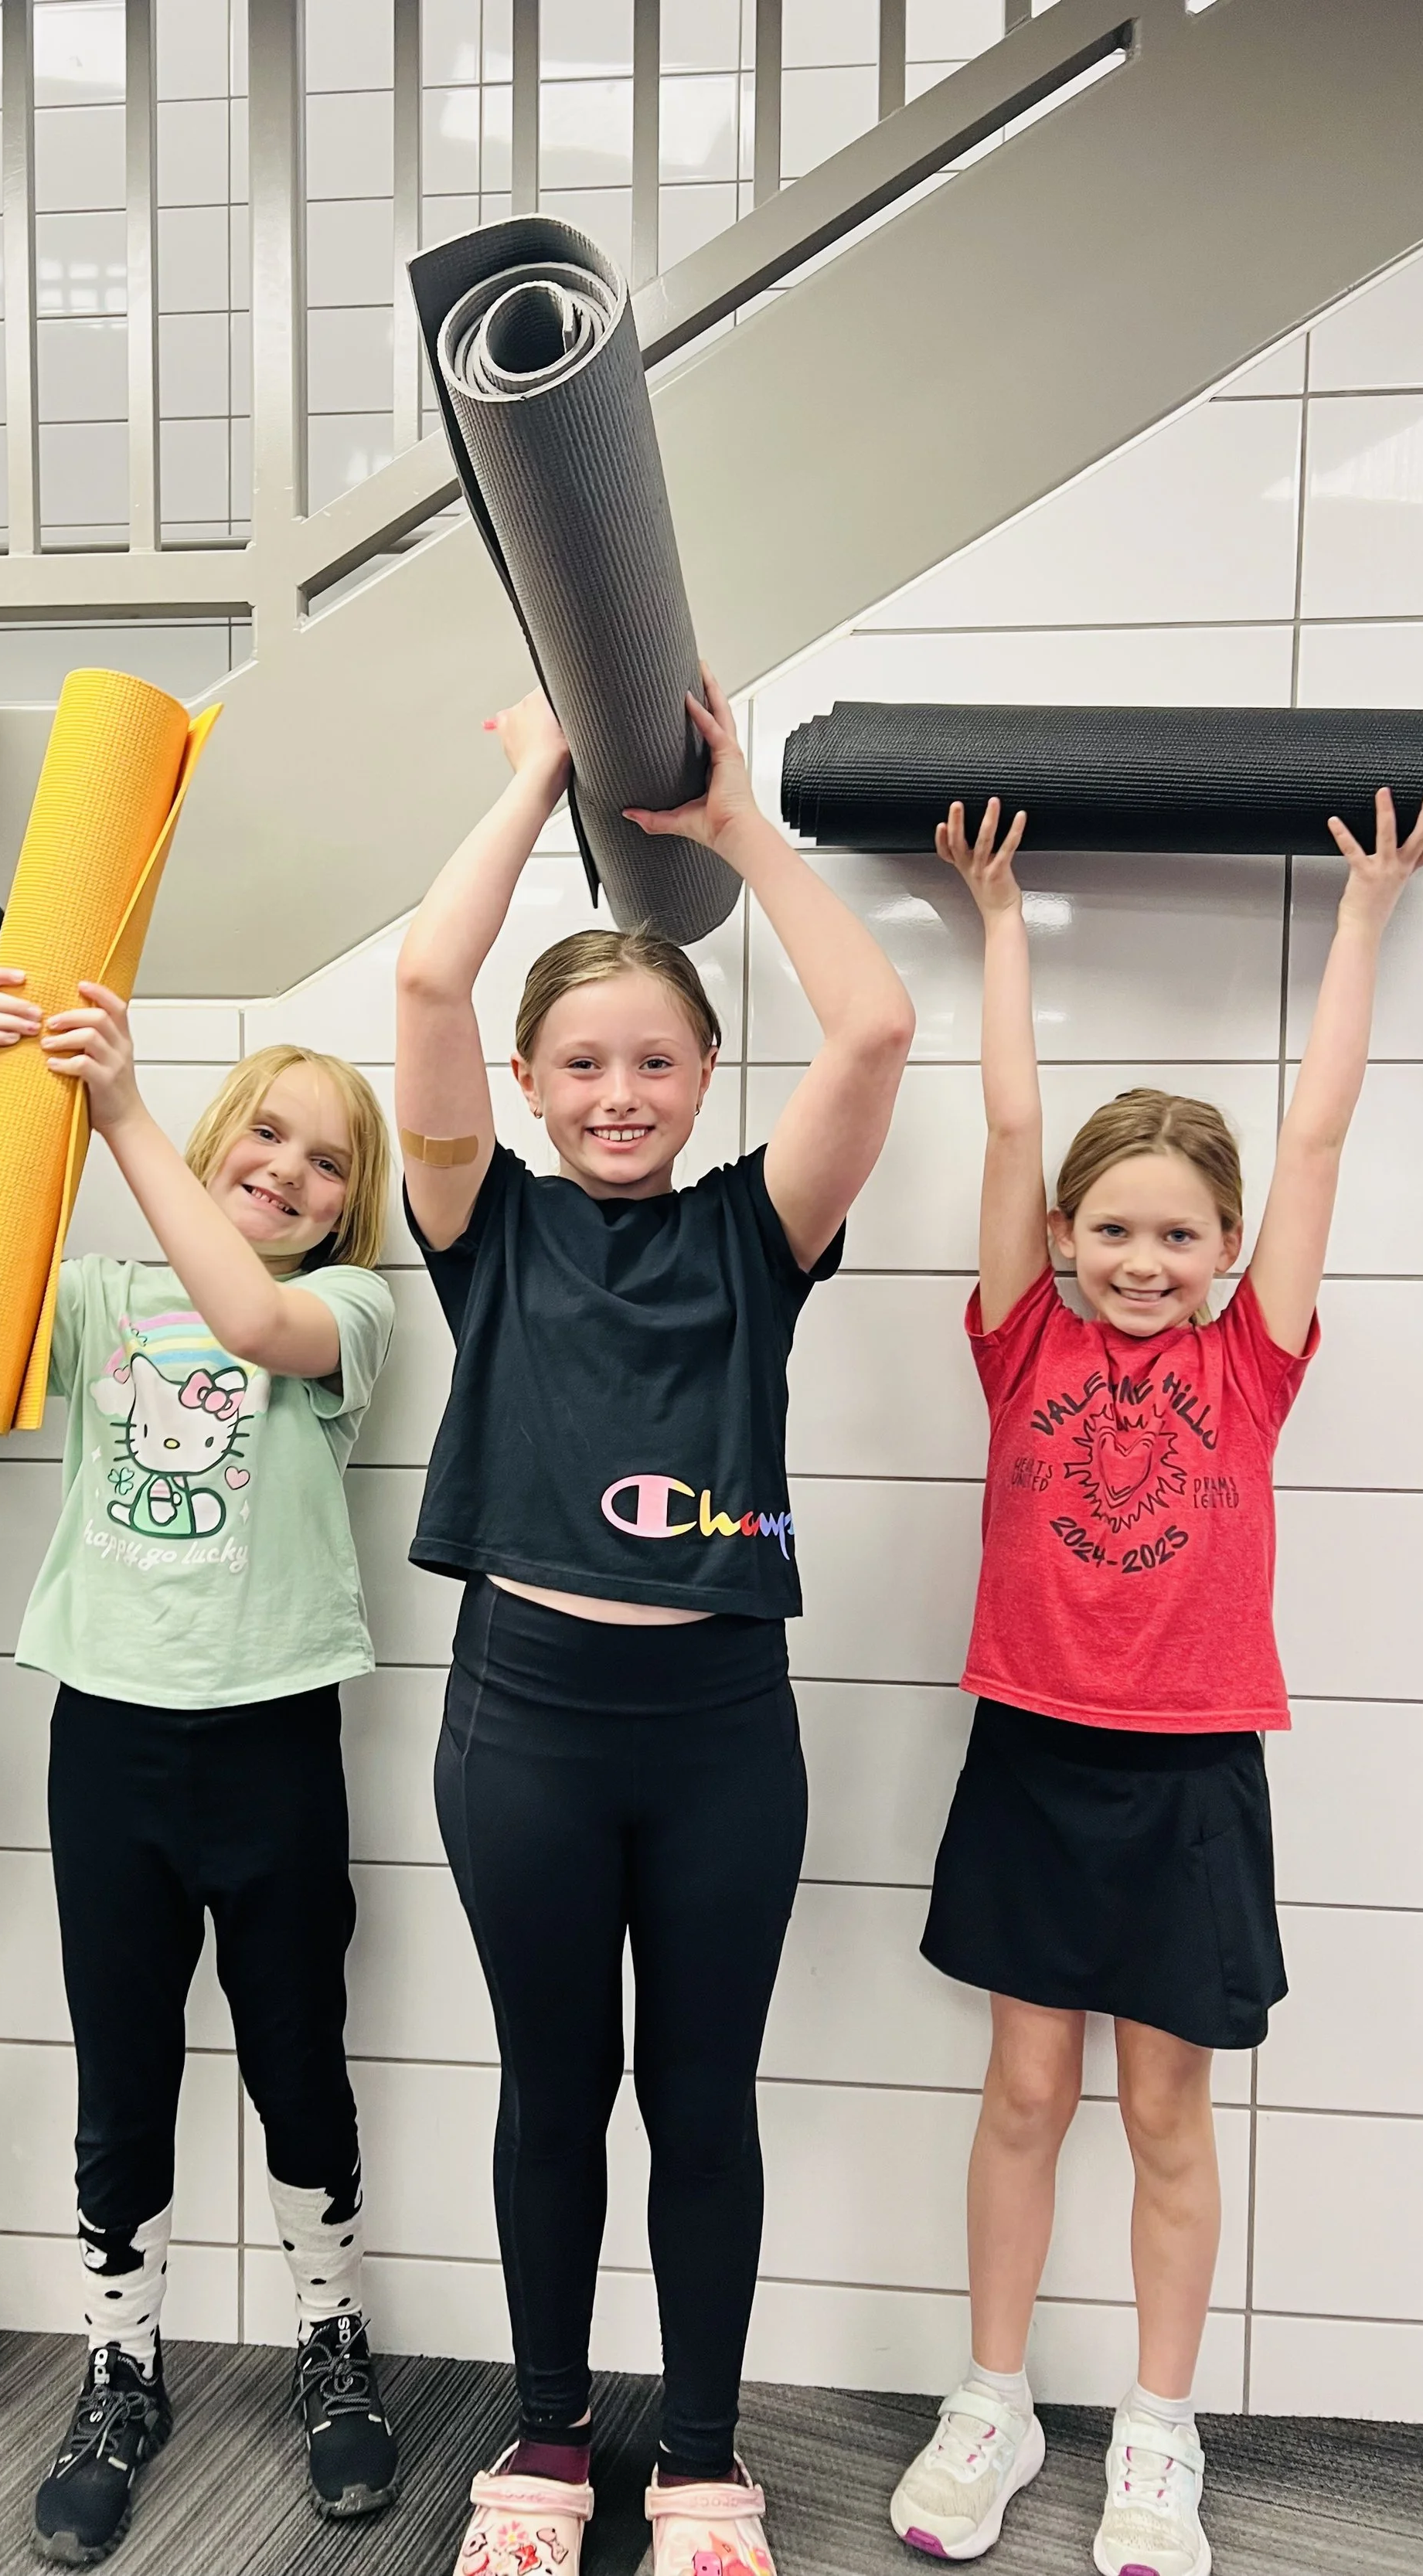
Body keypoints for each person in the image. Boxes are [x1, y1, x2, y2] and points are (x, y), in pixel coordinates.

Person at [890, 786, 1423, 2576]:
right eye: (1111, 1231)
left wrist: (1358, 922)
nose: (1140, 1263)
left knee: (1160, 2109)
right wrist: (994, 922)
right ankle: (987, 2398)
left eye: (1173, 1238)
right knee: (1021, 2096)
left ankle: (1153, 2428)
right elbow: (1001, 1126)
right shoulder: (1019, 1335)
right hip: (1032, 1756)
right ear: (1065, 1242)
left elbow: (1311, 1145)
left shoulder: (1253, 1365)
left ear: (1222, 1261)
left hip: (1195, 1769)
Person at [396, 676, 916, 2576]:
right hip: (522, 1721)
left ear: (704, 1084)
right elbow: (425, 993)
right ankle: (540, 2445)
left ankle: (699, 2459)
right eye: (583, 1065)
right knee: (556, 2085)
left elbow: (870, 1023)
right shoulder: (486, 1227)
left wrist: (733, 833)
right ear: (531, 1090)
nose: (618, 1095)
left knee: (701, 2089)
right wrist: (537, 773)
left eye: (656, 1064)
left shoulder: (751, 1235)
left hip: (716, 1728)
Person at [0, 969, 400, 2561]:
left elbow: (251, 1317)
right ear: (216, 1131)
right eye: (267, 1132)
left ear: (349, 1208)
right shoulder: (108, 1293)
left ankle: (331, 2340)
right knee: (121, 2075)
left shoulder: (350, 1315)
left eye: (327, 1163)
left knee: (295, 2061)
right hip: (105, 1740)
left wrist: (116, 1108)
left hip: (271, 1747)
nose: (289, 1174)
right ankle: (123, 2362)